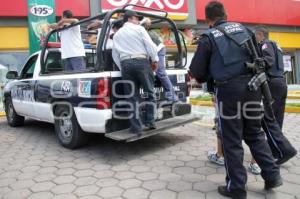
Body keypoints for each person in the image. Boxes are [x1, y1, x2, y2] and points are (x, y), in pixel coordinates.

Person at [189, 2, 282, 198]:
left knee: (231, 140)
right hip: (252, 88)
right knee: (255, 134)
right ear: (226, 14)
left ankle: (237, 188)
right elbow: (259, 60)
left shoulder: (208, 37)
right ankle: (272, 176)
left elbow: (197, 72)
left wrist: (207, 76)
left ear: (208, 20)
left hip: (228, 92)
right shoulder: (245, 30)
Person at [254, 25, 297, 164]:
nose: (255, 39)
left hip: (272, 84)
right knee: (276, 119)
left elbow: (269, 60)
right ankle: (276, 151)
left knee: (267, 119)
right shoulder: (276, 44)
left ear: (260, 34)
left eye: (255, 36)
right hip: (281, 83)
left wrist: (255, 65)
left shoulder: (266, 44)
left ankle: (285, 150)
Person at [112, 10, 158, 135]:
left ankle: (136, 128)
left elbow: (115, 54)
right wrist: (155, 60)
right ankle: (150, 121)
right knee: (149, 92)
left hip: (125, 63)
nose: (138, 21)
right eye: (137, 18)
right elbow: (150, 46)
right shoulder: (139, 29)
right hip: (141, 62)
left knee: (132, 97)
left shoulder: (116, 35)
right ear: (130, 18)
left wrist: (123, 67)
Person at [141, 18, 178, 102]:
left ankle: (172, 96)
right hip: (152, 51)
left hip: (158, 49)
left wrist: (154, 60)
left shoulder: (140, 31)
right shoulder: (139, 30)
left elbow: (152, 48)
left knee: (160, 72)